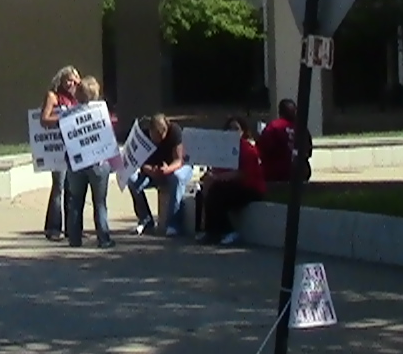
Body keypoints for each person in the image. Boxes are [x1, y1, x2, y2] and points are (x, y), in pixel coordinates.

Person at [61, 75, 116, 249]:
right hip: (98, 164)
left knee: (76, 201)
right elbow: (110, 136)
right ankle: (104, 239)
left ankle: (74, 239)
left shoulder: (69, 114)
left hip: (76, 163)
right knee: (100, 203)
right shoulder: (103, 112)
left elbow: (65, 137)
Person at [200, 116, 266, 245]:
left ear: (243, 131)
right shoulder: (224, 149)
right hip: (231, 185)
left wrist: (217, 178)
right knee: (211, 191)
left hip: (250, 187)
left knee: (217, 194)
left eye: (236, 129)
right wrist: (211, 176)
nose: (232, 131)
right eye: (229, 128)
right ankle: (211, 232)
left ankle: (229, 231)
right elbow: (218, 170)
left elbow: (243, 174)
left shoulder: (248, 149)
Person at [129, 114, 193, 237]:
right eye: (153, 136)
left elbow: (179, 160)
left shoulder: (175, 131)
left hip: (176, 168)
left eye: (159, 136)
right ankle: (146, 219)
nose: (155, 140)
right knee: (132, 180)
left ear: (165, 131)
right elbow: (138, 162)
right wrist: (150, 170)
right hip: (153, 171)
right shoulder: (144, 134)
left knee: (177, 178)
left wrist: (167, 169)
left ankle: (173, 224)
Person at [39, 66, 81, 242]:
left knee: (72, 188)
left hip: (74, 149)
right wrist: (63, 118)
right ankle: (53, 228)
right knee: (59, 187)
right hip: (57, 149)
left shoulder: (77, 98)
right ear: (61, 81)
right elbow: (44, 119)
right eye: (68, 80)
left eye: (74, 80)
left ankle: (72, 228)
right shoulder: (53, 97)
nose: (71, 83)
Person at [257, 99, 305, 185]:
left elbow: (262, 149)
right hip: (299, 171)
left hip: (274, 172)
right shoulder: (301, 128)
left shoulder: (274, 126)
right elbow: (308, 151)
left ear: (280, 112)